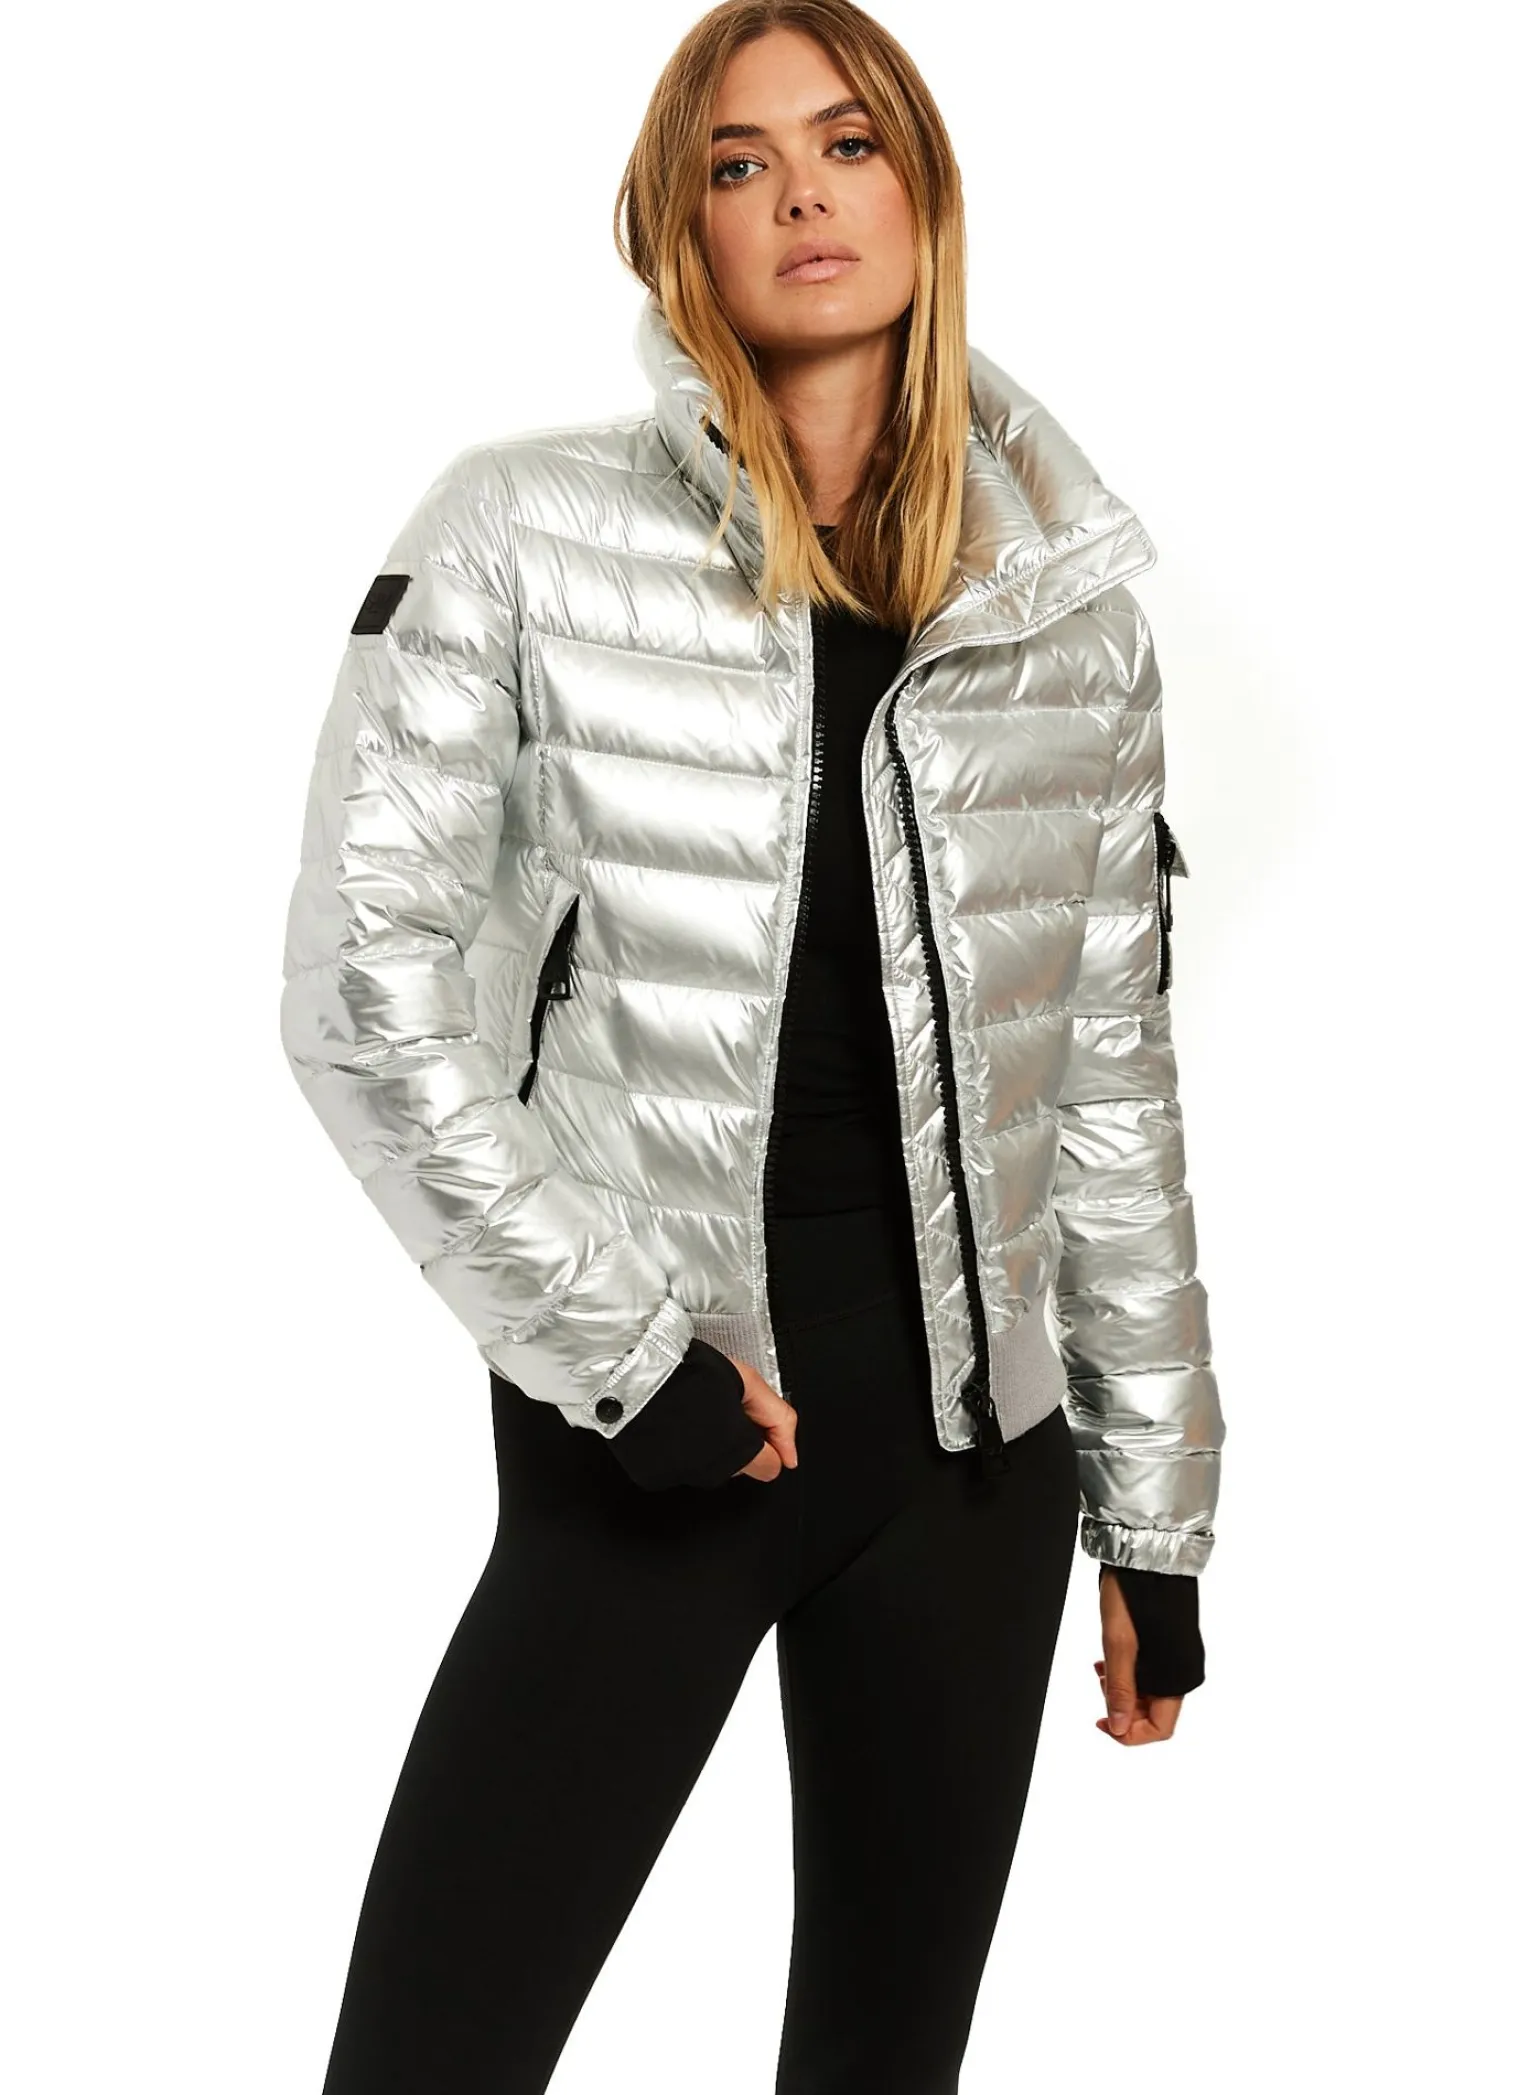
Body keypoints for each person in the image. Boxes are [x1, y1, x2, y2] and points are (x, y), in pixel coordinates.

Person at [278, 4, 1226, 2088]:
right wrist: (625, 1364)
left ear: (924, 193)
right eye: (737, 161)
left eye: (848, 143)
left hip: (971, 1476)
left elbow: (1107, 1089)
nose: (801, 193)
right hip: (668, 1431)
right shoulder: (519, 532)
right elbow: (362, 985)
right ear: (675, 227)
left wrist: (1154, 1518)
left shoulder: (1067, 616)